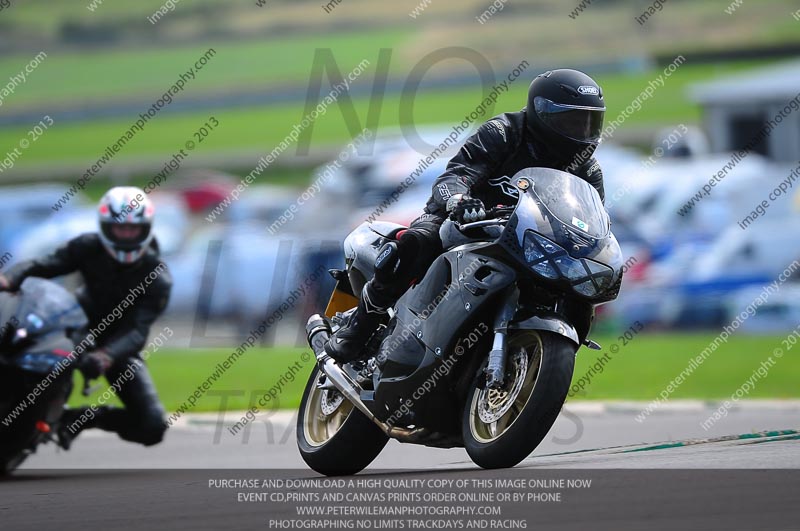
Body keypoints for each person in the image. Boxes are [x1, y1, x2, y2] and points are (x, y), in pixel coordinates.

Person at [326, 69, 607, 363]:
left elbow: (591, 217)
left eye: (589, 122)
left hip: (527, 238)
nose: (581, 130)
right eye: (572, 120)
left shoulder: (587, 169)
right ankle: (359, 328)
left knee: (578, 290)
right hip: (466, 221)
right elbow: (456, 175)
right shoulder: (504, 132)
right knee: (416, 243)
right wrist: (459, 200)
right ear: (542, 113)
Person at [0, 186, 172, 448]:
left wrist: (107, 356)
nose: (126, 235)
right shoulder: (87, 246)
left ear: (147, 228)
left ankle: (79, 418)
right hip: (74, 322)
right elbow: (44, 264)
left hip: (118, 345)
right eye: (119, 228)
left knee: (152, 426)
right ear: (105, 227)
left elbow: (137, 331)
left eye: (133, 229)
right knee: (17, 346)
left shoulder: (157, 277)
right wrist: (10, 278)